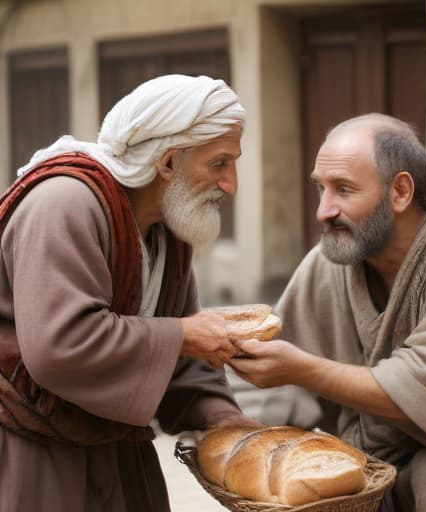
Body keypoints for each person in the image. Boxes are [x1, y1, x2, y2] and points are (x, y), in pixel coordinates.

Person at [0, 74, 261, 512]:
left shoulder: (168, 229)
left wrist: (229, 424)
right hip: (34, 457)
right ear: (169, 163)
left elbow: (181, 363)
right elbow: (59, 345)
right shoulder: (64, 203)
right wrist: (182, 335)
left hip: (121, 461)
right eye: (219, 163)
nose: (231, 183)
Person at [229, 113, 426, 512]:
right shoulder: (331, 262)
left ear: (400, 191)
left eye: (343, 190)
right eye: (320, 189)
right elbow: (285, 396)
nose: (323, 211)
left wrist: (302, 368)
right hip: (362, 463)